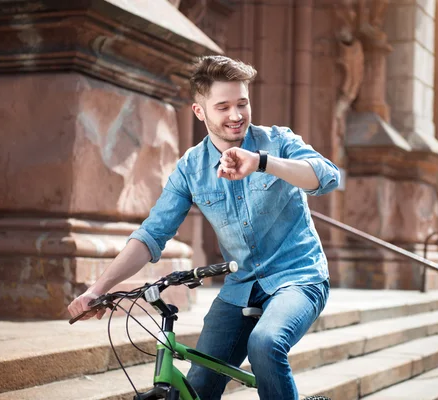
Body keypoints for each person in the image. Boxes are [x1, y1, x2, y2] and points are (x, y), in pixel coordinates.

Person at [68, 55, 340, 400]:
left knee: (266, 342)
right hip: (241, 287)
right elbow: (152, 234)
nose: (236, 115)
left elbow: (328, 176)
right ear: (200, 112)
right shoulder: (191, 168)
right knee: (199, 387)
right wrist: (99, 288)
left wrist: (263, 163)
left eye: (242, 103)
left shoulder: (276, 142)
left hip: (298, 277)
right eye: (223, 106)